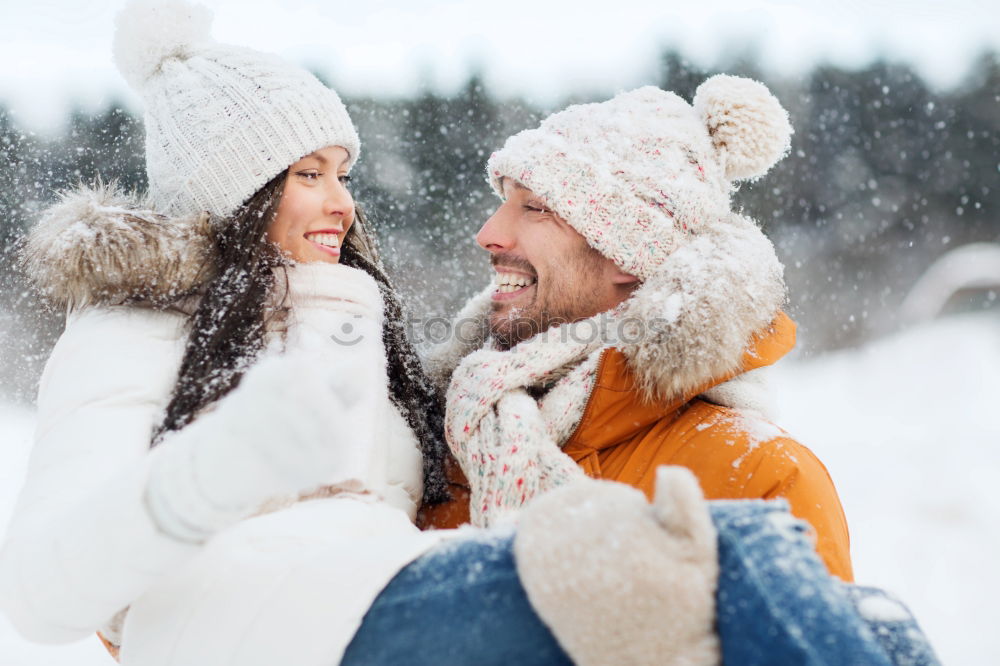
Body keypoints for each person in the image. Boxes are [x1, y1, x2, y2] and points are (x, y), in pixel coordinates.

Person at [0, 2, 939, 665]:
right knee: (736, 560)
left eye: (340, 170)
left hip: (385, 597)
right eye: (307, 174)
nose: (343, 201)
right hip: (313, 628)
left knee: (866, 622)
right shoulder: (140, 332)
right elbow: (56, 592)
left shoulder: (396, 373)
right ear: (232, 192)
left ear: (627, 250)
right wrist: (221, 471)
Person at [419, 75, 854, 582]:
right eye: (504, 200)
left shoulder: (759, 478)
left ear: (626, 254)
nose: (488, 234)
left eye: (534, 207)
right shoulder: (446, 434)